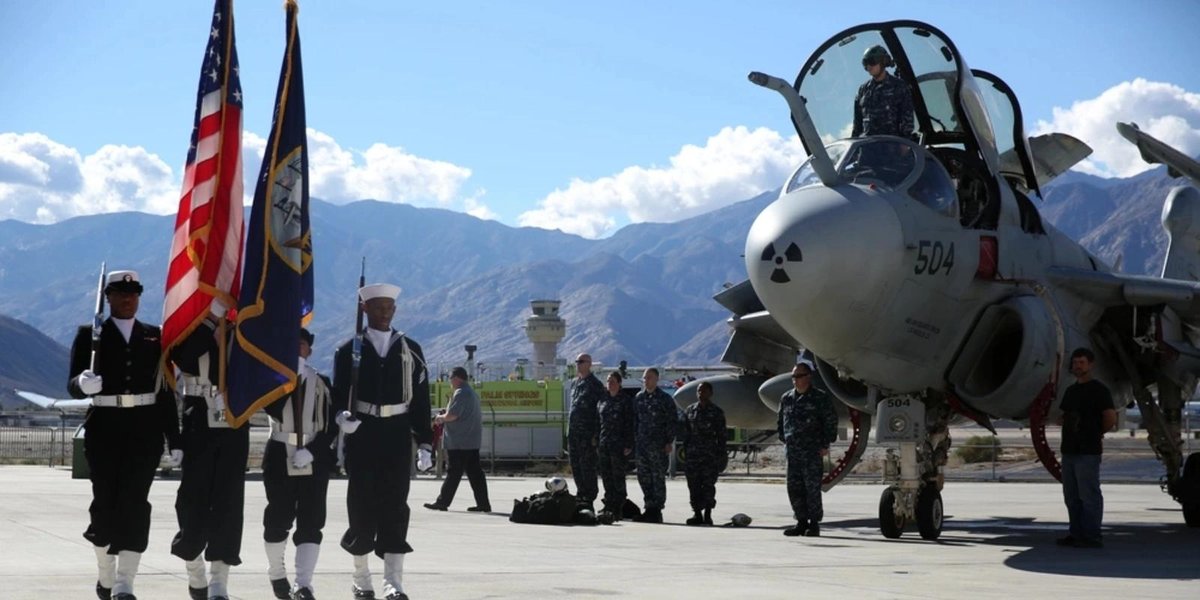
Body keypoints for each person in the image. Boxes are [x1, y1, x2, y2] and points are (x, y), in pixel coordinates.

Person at [68, 270, 181, 600]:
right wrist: (82, 384)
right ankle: (106, 574)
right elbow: (72, 384)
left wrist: (174, 439)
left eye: (133, 294)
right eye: (120, 293)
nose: (128, 299)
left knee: (135, 505)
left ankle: (125, 583)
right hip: (105, 429)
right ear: (109, 298)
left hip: (144, 431)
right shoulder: (91, 335)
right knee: (105, 502)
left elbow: (164, 393)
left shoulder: (155, 336)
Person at [333, 283, 434, 600]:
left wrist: (426, 442)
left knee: (395, 505)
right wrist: (341, 417)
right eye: (378, 307)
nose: (385, 312)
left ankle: (393, 581)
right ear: (365, 310)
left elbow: (420, 400)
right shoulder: (349, 350)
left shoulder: (411, 350)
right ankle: (361, 577)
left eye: (389, 307)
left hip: (396, 432)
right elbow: (338, 396)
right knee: (361, 505)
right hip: (363, 433)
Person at [167, 312, 250, 600]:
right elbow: (182, 358)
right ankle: (193, 563)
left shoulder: (246, 330)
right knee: (192, 497)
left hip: (235, 418)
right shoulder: (191, 327)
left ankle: (219, 583)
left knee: (229, 501)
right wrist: (211, 324)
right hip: (198, 415)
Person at [261, 328, 336, 600]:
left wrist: (314, 451)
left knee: (312, 520)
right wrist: (287, 379)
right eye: (291, 344)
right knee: (278, 518)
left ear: (310, 350)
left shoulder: (323, 383)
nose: (296, 349)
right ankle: (276, 570)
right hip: (280, 451)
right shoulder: (272, 381)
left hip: (312, 456)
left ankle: (304, 583)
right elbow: (271, 408)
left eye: (301, 344)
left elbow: (330, 426)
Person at [1056, 347, 1117, 549]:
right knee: (1071, 495)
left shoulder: (1100, 391)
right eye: (1075, 363)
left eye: (1081, 362)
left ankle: (1092, 535)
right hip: (1069, 451)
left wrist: (1094, 433)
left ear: (1090, 365)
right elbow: (1063, 417)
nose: (1077, 366)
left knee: (1089, 494)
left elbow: (1110, 417)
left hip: (1088, 452)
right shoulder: (1071, 391)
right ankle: (1076, 533)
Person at [777, 362, 838, 537]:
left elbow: (830, 421)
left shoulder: (820, 398)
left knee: (811, 489)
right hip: (793, 452)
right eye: (793, 377)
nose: (795, 380)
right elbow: (781, 422)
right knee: (794, 488)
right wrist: (785, 439)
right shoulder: (786, 398)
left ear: (808, 377)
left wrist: (825, 444)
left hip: (812, 452)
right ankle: (801, 522)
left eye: (799, 376)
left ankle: (813, 523)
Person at [424, 366, 490, 512]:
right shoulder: (470, 392)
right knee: (475, 473)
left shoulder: (461, 393)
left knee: (454, 472)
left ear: (456, 378)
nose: (450, 382)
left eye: (450, 379)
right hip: (471, 440)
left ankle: (442, 502)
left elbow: (452, 416)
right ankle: (483, 504)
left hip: (460, 442)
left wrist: (438, 418)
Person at [633, 367, 678, 523]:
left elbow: (672, 421)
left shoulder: (665, 399)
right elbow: (635, 421)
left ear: (657, 379)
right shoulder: (639, 398)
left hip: (658, 447)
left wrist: (668, 441)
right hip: (642, 446)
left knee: (657, 478)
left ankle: (656, 510)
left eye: (650, 378)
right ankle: (649, 507)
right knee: (643, 477)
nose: (647, 381)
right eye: (645, 378)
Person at [681, 381, 727, 526]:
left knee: (708, 485)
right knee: (693, 485)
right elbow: (686, 433)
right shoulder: (690, 410)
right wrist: (686, 452)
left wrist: (721, 455)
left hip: (709, 456)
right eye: (699, 391)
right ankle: (697, 514)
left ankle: (708, 513)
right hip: (693, 456)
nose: (701, 393)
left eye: (704, 391)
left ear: (710, 393)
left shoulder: (717, 412)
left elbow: (722, 436)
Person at [852, 44, 915, 139]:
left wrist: (904, 145)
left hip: (892, 146)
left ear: (883, 61)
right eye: (865, 63)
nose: (869, 67)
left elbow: (907, 118)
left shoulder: (899, 86)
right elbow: (857, 123)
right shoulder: (863, 90)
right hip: (867, 147)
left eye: (872, 62)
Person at [596, 371, 635, 522]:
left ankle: (619, 507)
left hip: (619, 445)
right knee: (606, 476)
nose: (610, 384)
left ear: (619, 383)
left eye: (612, 381)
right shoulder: (603, 400)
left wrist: (628, 444)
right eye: (608, 381)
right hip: (604, 443)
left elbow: (630, 423)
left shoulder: (625, 401)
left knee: (618, 477)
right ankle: (609, 505)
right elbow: (598, 422)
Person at [567, 353, 604, 510]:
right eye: (576, 361)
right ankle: (581, 494)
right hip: (574, 434)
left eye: (581, 361)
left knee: (587, 466)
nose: (578, 364)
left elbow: (600, 411)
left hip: (587, 435)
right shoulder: (575, 383)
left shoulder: (595, 385)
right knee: (576, 466)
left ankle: (588, 497)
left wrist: (596, 434)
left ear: (589, 364)